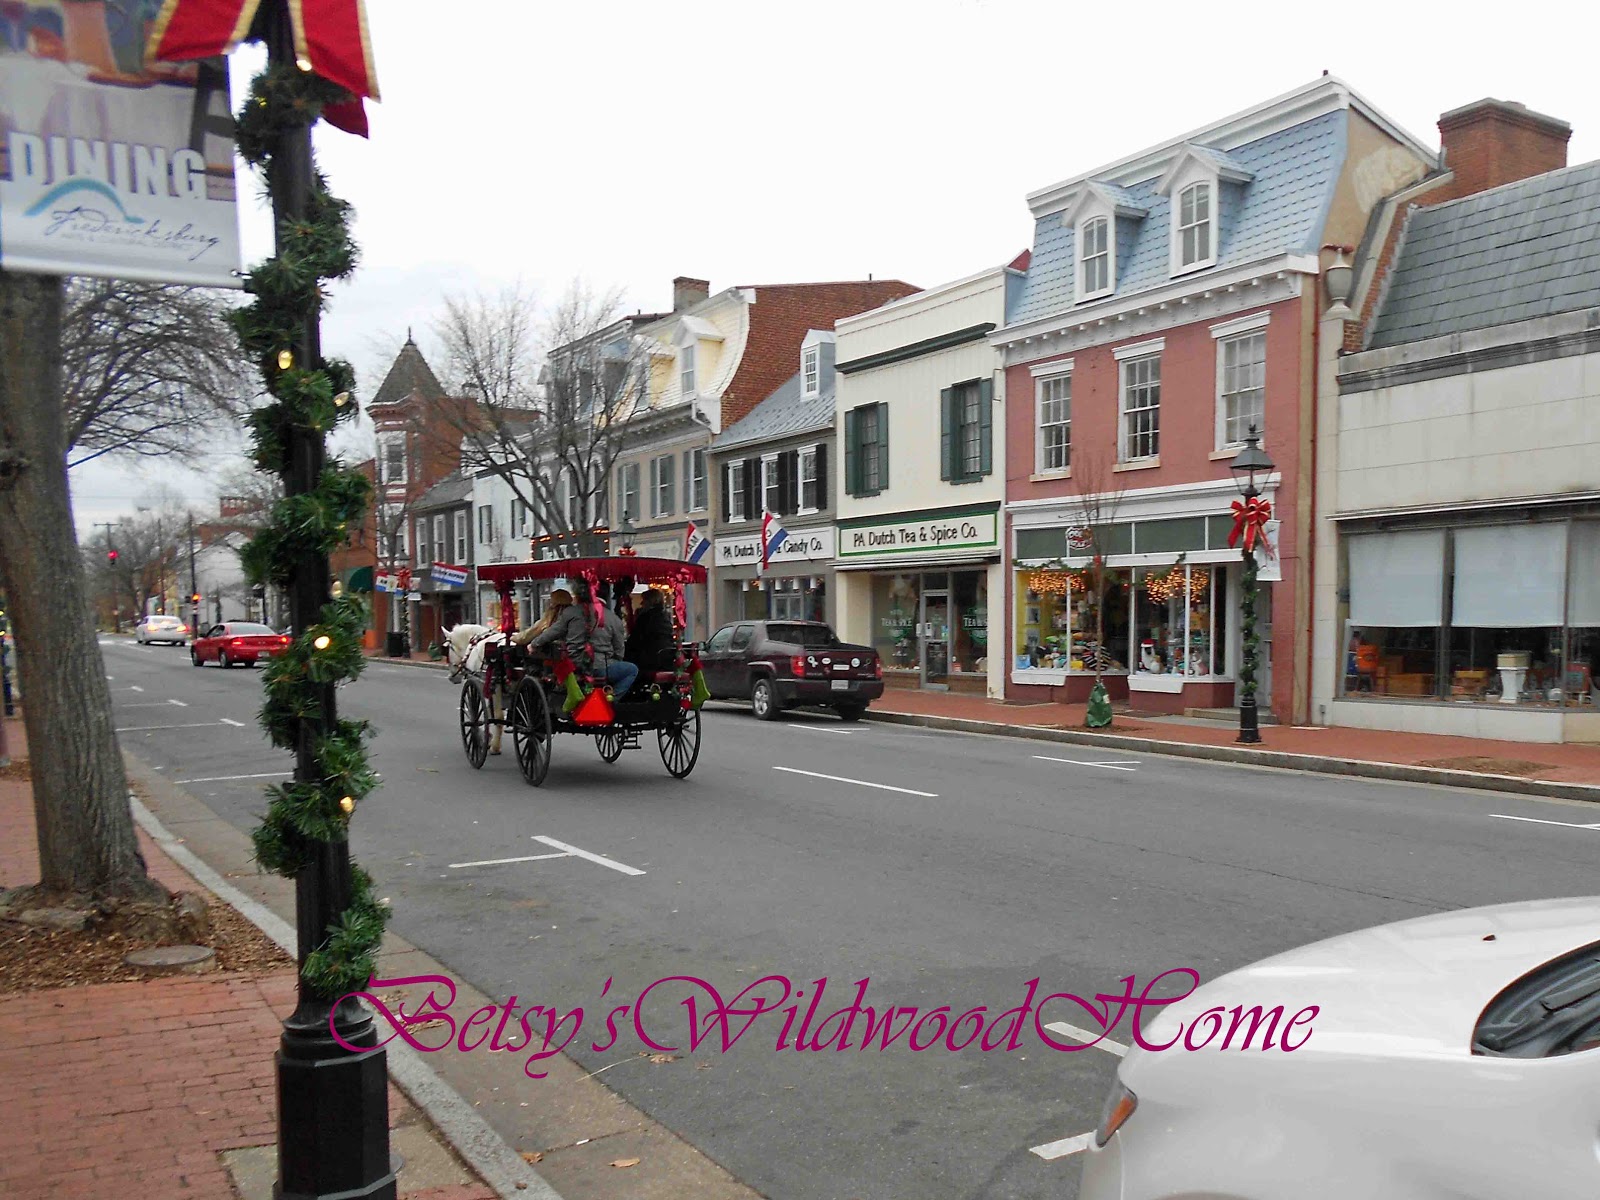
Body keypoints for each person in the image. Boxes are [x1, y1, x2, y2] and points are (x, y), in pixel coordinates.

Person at [528, 578, 637, 699]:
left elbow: (552, 632)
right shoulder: (613, 618)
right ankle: (611, 699)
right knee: (632, 670)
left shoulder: (570, 612)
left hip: (574, 666)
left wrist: (534, 644)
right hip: (602, 667)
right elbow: (619, 650)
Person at [625, 587, 676, 673]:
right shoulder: (665, 616)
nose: (641, 603)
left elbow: (635, 640)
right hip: (666, 659)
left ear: (650, 601)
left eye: (644, 600)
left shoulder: (645, 618)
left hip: (650, 660)